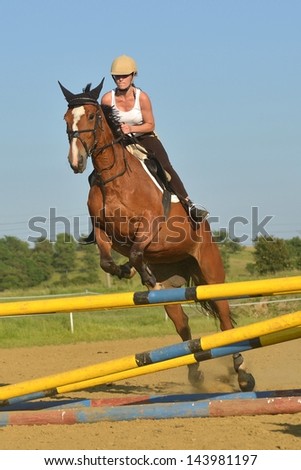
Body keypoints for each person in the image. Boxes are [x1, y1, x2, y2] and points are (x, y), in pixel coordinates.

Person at [83, 55, 208, 243]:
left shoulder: (142, 97)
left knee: (165, 167)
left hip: (144, 137)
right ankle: (96, 225)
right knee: (95, 176)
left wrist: (131, 128)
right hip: (120, 141)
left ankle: (189, 205)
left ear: (133, 76)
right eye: (117, 76)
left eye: (124, 76)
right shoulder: (107, 98)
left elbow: (150, 124)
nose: (120, 79)